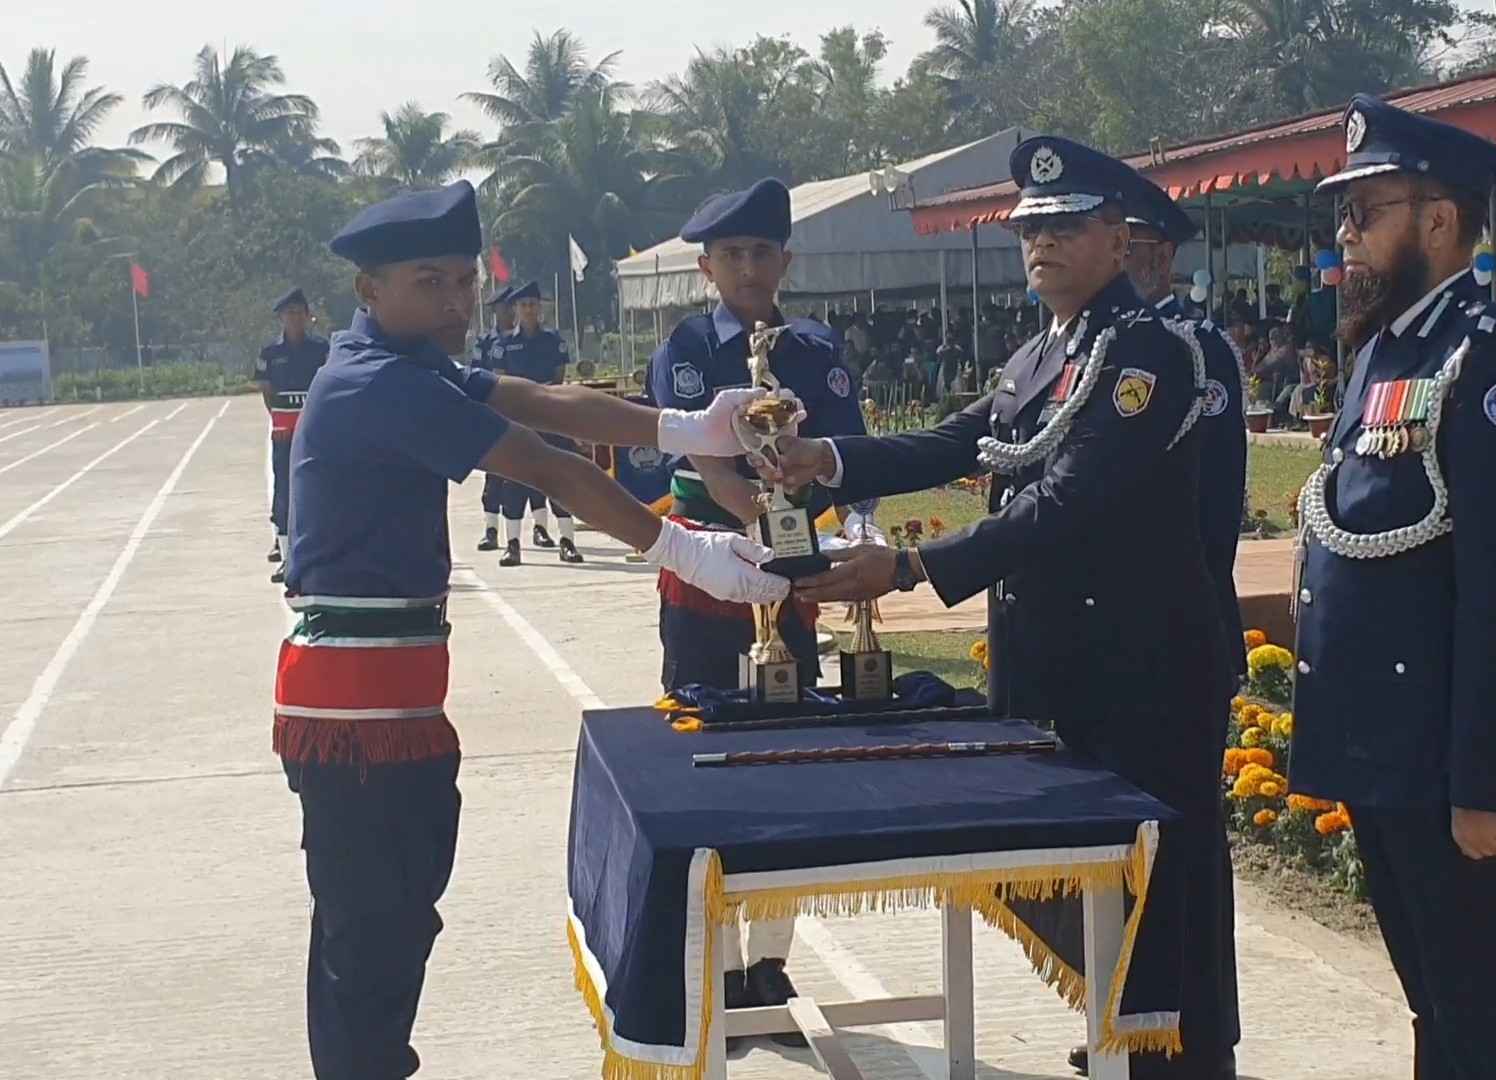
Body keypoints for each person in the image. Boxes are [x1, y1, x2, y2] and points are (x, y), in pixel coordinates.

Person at [278, 180, 786, 1080]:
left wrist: (682, 427)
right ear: (370, 290)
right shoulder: (377, 382)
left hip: (387, 687)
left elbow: (541, 400)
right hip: (358, 700)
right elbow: (544, 463)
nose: (457, 301)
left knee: (391, 913)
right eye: (430, 282)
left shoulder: (403, 360)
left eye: (464, 279)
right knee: (372, 925)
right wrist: (682, 550)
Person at [757, 135, 1232, 1079]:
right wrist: (829, 459)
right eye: (1030, 230)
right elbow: (956, 441)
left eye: (1065, 226)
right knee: (1093, 885)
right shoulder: (1045, 350)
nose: (1041, 244)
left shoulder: (1147, 352)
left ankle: (1180, 1061)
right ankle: (1122, 1041)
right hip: (1062, 661)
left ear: (1116, 237)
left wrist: (908, 567)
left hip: (1144, 668)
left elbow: (1069, 499)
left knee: (1161, 883)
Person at [1293, 94, 1496, 1080]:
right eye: (1342, 214)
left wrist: (1483, 784)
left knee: (1471, 1003)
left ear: (1438, 220)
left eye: (1365, 212)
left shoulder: (1489, 359)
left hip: (1438, 754)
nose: (1345, 234)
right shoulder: (1384, 350)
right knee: (1430, 997)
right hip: (1378, 741)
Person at [645, 179, 875, 1032]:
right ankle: (709, 961)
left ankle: (768, 963)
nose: (748, 266)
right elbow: (707, 463)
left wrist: (851, 524)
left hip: (791, 572)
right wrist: (761, 522)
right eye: (732, 254)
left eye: (762, 252)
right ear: (707, 267)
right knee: (704, 752)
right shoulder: (686, 347)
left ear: (786, 260)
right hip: (711, 571)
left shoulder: (816, 348)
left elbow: (848, 450)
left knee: (791, 753)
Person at [1116, 168, 1246, 1078]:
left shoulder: (1198, 350)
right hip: (1105, 644)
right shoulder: (1094, 348)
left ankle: (1201, 1035)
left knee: (1188, 848)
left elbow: (1214, 507)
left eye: (1130, 249)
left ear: (1161, 258)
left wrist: (1174, 610)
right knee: (1118, 848)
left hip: (1177, 631)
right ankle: (1127, 1019)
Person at [494, 281, 584, 566]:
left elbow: (558, 377)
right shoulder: (504, 344)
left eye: (533, 304)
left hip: (549, 416)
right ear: (516, 309)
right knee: (514, 481)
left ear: (539, 307)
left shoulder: (553, 340)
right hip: (518, 418)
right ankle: (512, 544)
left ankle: (567, 541)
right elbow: (499, 380)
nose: (529, 310)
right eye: (523, 305)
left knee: (559, 477)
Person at [256, 288, 329, 581]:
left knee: (320, 487)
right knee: (285, 490)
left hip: (316, 432)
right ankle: (287, 557)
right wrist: (279, 418)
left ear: (308, 316)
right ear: (281, 318)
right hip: (285, 432)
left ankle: (319, 550)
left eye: (300, 313)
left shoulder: (321, 349)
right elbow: (266, 390)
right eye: (289, 313)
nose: (295, 318)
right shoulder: (270, 353)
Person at [472, 283, 516, 552]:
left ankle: (539, 528)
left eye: (511, 307)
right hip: (494, 409)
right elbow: (476, 372)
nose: (508, 313)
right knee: (494, 474)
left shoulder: (525, 338)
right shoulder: (485, 342)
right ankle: (491, 530)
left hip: (522, 410)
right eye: (503, 308)